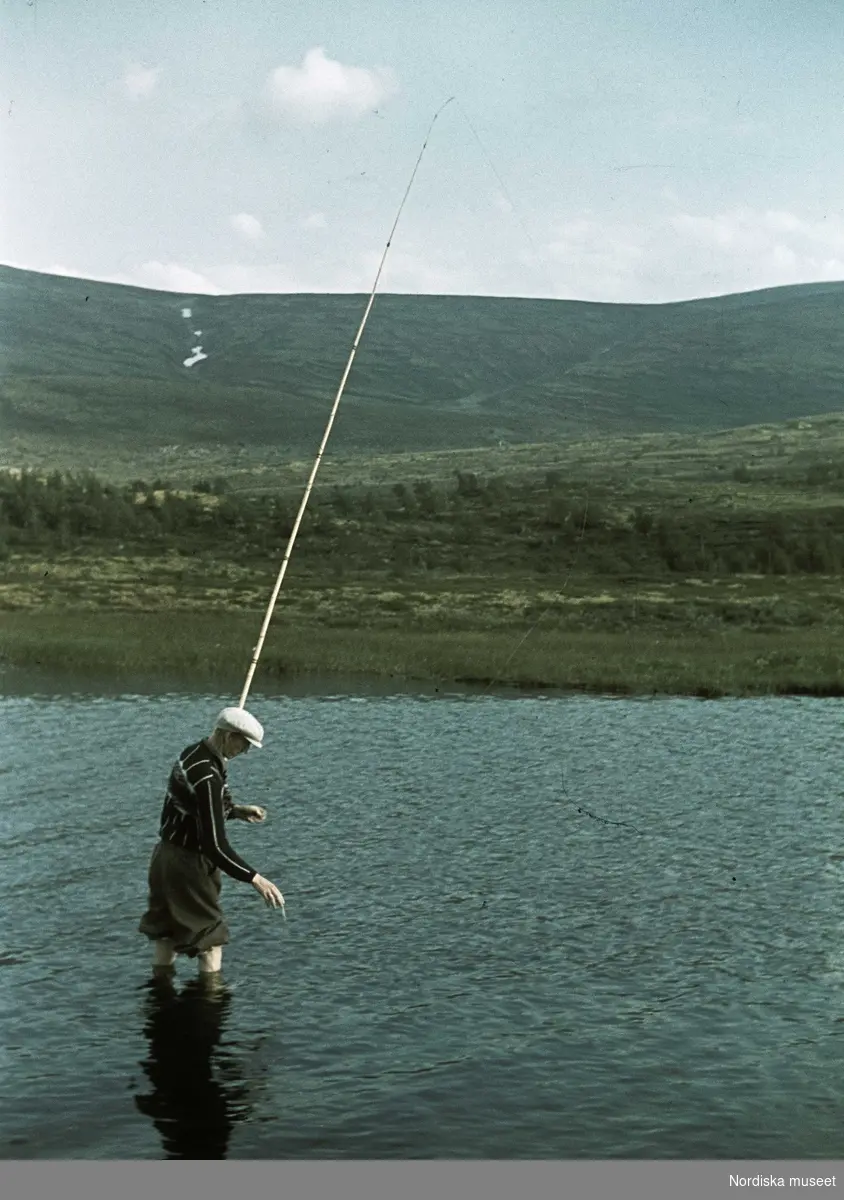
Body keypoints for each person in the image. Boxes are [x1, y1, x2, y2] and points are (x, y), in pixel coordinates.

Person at [139, 706, 285, 975]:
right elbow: (214, 846)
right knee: (210, 941)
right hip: (189, 866)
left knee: (166, 937)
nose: (246, 751)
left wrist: (236, 811)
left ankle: (160, 1001)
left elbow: (193, 805)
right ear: (229, 736)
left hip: (164, 857)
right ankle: (210, 1005)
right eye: (244, 743)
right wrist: (255, 879)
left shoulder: (192, 754)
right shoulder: (209, 777)